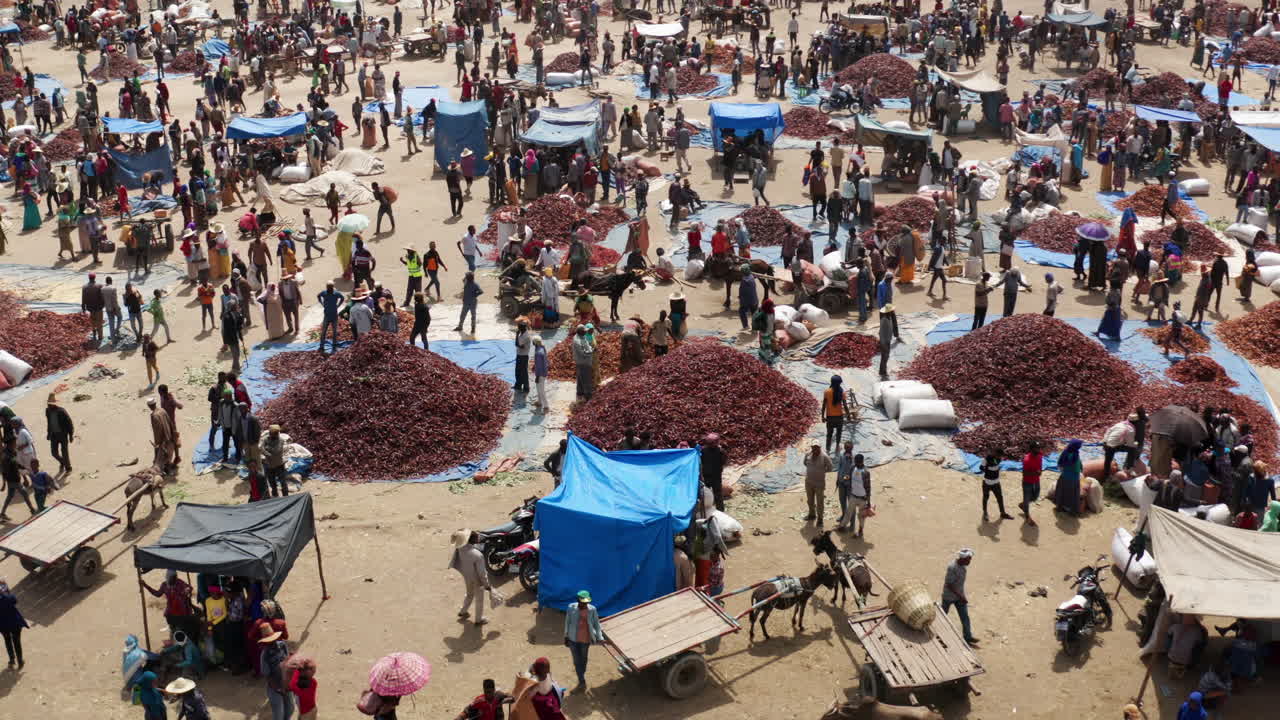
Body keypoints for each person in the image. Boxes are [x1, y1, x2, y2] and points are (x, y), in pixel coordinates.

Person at [563, 589, 603, 690]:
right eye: (583, 603)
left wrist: (600, 637)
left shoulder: (592, 609)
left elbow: (597, 625)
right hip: (573, 639)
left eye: (587, 603)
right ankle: (582, 680)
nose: (585, 605)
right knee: (576, 661)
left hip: (585, 640)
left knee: (584, 659)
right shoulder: (571, 608)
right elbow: (567, 622)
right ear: (578, 601)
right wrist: (566, 636)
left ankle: (581, 674)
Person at [449, 530, 491, 626]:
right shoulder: (478, 555)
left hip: (467, 576)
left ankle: (463, 611)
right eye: (477, 537)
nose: (479, 538)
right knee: (479, 600)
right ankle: (478, 620)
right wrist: (487, 585)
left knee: (469, 594)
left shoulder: (460, 548)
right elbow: (482, 573)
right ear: (473, 540)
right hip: (477, 580)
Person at [941, 548, 979, 645]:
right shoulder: (952, 568)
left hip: (959, 596)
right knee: (942, 617)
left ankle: (968, 637)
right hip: (948, 597)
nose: (970, 561)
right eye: (968, 559)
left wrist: (961, 595)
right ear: (962, 559)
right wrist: (961, 596)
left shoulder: (963, 567)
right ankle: (938, 634)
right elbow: (949, 585)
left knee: (965, 617)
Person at [260, 624, 292, 720]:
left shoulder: (282, 645)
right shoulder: (264, 655)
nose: (272, 643)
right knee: (279, 715)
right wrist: (278, 689)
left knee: (290, 709)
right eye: (269, 641)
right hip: (275, 688)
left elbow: (287, 662)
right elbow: (267, 676)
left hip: (286, 684)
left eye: (273, 640)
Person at [803, 444, 833, 527]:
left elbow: (830, 467)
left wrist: (821, 472)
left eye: (817, 448)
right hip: (809, 482)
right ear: (811, 448)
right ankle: (812, 514)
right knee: (810, 500)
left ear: (820, 448)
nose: (815, 449)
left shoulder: (824, 457)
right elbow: (805, 463)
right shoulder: (808, 455)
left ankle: (820, 519)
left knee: (820, 502)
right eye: (813, 447)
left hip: (819, 484)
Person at [0, 579, 27, 669]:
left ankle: (12, 660)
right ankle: (20, 661)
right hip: (14, 623)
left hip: (2, 625)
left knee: (7, 641)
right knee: (16, 642)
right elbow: (15, 600)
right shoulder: (7, 597)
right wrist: (6, 590)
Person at [1053, 439, 1084, 515]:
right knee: (1072, 494)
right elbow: (1078, 467)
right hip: (1073, 478)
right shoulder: (1075, 455)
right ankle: (1070, 509)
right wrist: (1080, 471)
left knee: (1062, 491)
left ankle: (1060, 506)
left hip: (1064, 476)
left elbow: (1060, 464)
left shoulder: (1066, 452)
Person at [45, 393, 74, 474]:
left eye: (50, 404)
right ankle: (62, 462)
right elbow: (49, 423)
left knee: (64, 452)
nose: (49, 406)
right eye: (48, 404)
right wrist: (48, 433)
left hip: (63, 434)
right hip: (53, 435)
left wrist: (71, 435)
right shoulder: (47, 411)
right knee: (54, 453)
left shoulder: (61, 411)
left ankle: (68, 468)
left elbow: (69, 423)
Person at [822, 375, 852, 452]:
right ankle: (837, 446)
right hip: (839, 417)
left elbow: (824, 405)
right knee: (839, 433)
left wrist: (822, 416)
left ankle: (828, 448)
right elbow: (845, 406)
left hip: (830, 418)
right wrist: (848, 415)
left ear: (831, 382)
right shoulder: (842, 392)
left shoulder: (826, 392)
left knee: (829, 434)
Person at [1021, 441, 1043, 527]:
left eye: (1038, 447)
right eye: (1036, 448)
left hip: (1036, 480)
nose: (1038, 449)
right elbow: (1024, 473)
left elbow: (1040, 467)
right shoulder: (1027, 460)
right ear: (1031, 449)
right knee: (1027, 499)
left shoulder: (1040, 456)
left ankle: (1023, 505)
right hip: (1027, 482)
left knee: (1035, 497)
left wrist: (1040, 472)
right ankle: (1027, 517)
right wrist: (1035, 473)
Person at [513, 320, 531, 394]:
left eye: (519, 328)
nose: (518, 329)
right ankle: (518, 385)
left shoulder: (526, 336)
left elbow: (517, 344)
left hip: (523, 356)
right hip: (520, 355)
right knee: (518, 371)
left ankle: (526, 387)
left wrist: (516, 335)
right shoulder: (522, 333)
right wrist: (518, 334)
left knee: (523, 372)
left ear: (522, 328)